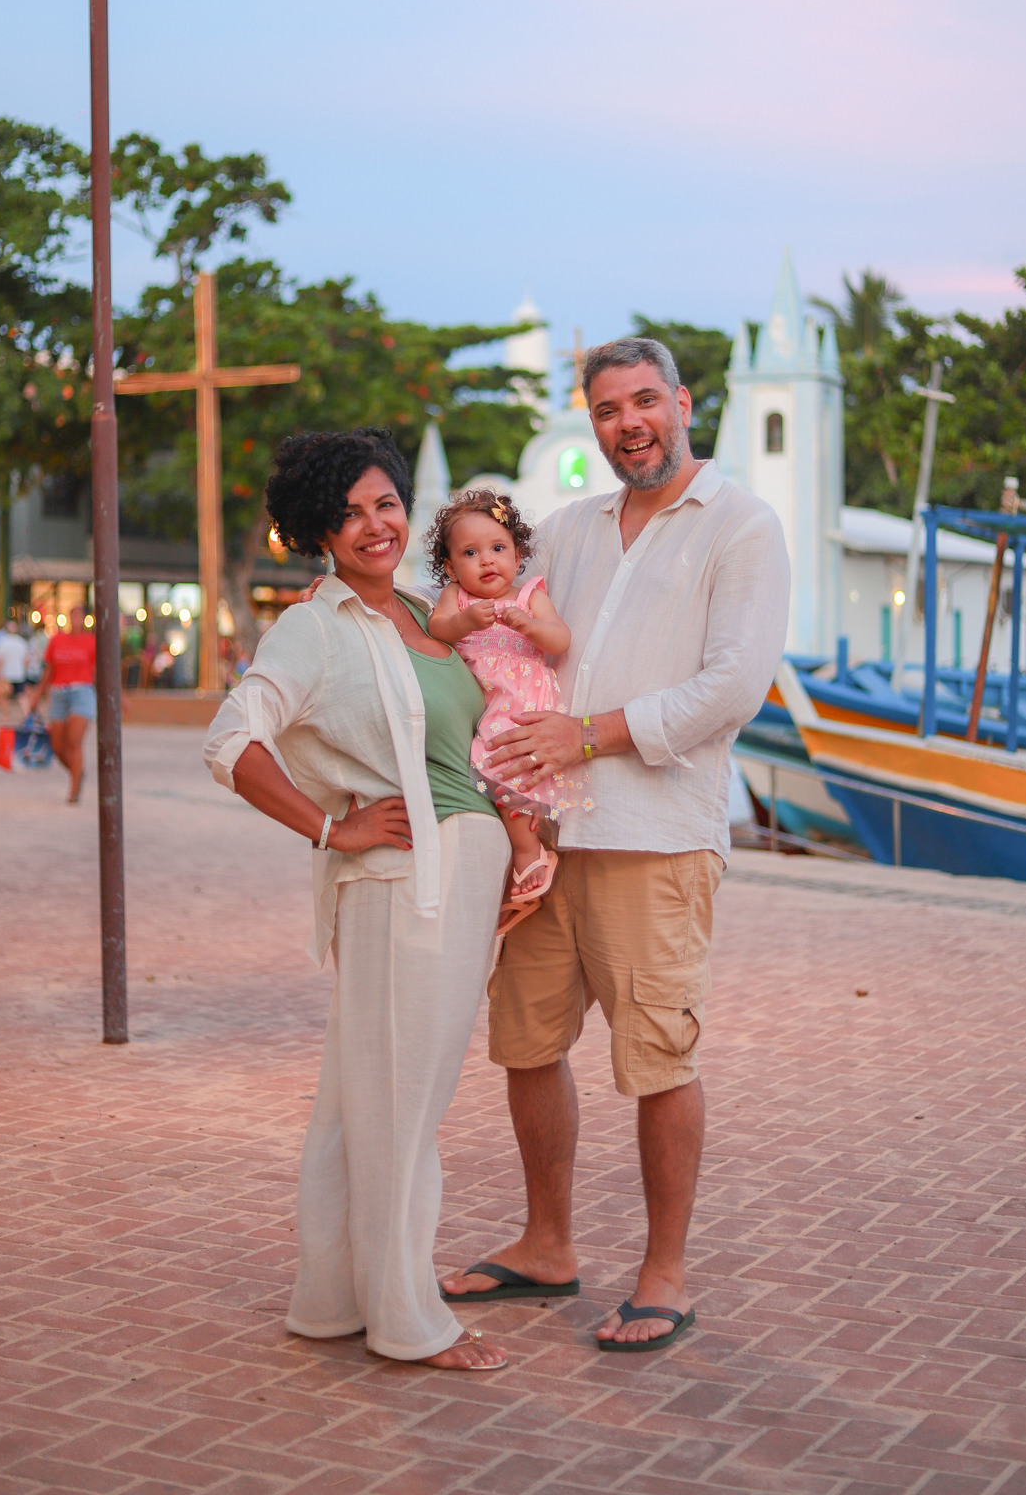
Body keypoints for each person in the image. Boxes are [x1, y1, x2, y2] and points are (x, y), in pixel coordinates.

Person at [440, 337, 790, 1353]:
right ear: (590, 421)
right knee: (526, 1043)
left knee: (659, 1059)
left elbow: (732, 687)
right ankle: (548, 1245)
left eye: (645, 400)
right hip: (545, 831)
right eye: (606, 408)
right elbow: (496, 617)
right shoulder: (566, 528)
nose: (628, 421)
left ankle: (665, 1272)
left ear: (682, 403)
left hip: (655, 837)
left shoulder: (741, 526)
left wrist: (588, 734)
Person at [202, 428, 512, 1373]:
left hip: (453, 884)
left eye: (384, 504)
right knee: (401, 1112)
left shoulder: (422, 608)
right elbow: (231, 739)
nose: (373, 525)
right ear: (318, 533)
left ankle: (333, 1299)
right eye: (347, 515)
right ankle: (411, 1319)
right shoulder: (316, 627)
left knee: (359, 1105)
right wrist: (331, 828)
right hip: (397, 890)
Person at [426, 488, 583, 905]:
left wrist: (529, 626)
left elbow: (561, 639)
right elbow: (436, 628)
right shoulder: (455, 598)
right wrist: (462, 620)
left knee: (501, 765)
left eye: (498, 548)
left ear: (517, 555)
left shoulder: (529, 596)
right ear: (451, 566)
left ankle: (529, 853)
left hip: (519, 704)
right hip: (482, 702)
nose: (487, 560)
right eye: (471, 553)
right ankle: (505, 858)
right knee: (484, 774)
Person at [35, 607, 96, 804]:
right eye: (73, 616)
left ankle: (74, 788)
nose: (75, 620)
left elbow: (100, 671)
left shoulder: (91, 641)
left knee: (73, 741)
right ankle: (77, 773)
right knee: (57, 745)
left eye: (79, 616)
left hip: (81, 691)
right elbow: (49, 671)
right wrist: (37, 695)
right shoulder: (57, 640)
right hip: (58, 692)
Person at [0, 618, 29, 716]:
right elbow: (26, 659)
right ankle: (27, 714)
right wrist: (24, 671)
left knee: (4, 695)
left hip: (6, 673)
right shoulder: (21, 642)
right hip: (18, 673)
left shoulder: (2, 642)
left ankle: (5, 716)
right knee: (21, 695)